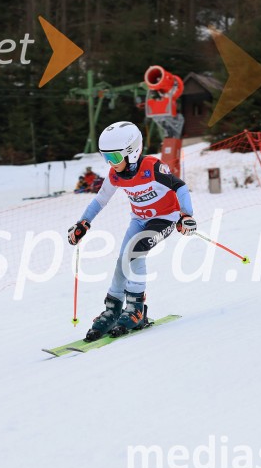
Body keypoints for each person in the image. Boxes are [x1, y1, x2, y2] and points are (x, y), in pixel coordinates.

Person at [67, 121, 196, 341]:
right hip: (139, 220)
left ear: (132, 152)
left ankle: (136, 307)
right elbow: (100, 199)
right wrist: (83, 223)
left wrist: (187, 215)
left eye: (114, 158)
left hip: (165, 218)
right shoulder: (115, 175)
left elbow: (180, 186)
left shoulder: (153, 167)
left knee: (136, 250)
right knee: (122, 260)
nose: (111, 163)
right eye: (106, 158)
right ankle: (113, 307)